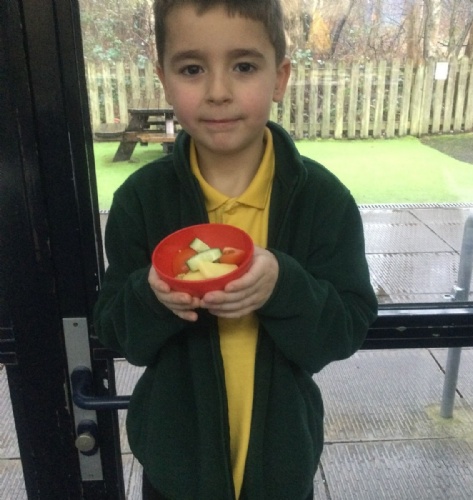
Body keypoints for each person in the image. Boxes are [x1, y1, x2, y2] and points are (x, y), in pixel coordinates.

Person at [93, 0, 378, 498]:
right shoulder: (141, 201)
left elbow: (345, 330)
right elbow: (119, 334)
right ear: (164, 80)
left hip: (282, 471)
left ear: (280, 78)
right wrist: (151, 296)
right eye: (192, 69)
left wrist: (283, 287)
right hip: (175, 474)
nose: (218, 92)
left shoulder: (322, 200)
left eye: (243, 66)